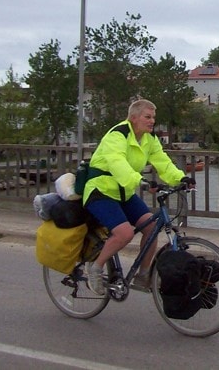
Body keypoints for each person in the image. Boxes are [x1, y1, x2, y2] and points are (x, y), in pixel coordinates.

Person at [83, 99, 195, 295]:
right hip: (100, 191)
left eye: (153, 117)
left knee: (152, 228)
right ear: (133, 118)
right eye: (147, 117)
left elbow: (163, 163)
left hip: (123, 192)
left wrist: (181, 178)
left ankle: (143, 275)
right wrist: (140, 181)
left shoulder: (149, 140)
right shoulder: (118, 135)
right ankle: (96, 267)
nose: (152, 121)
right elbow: (117, 163)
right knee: (124, 233)